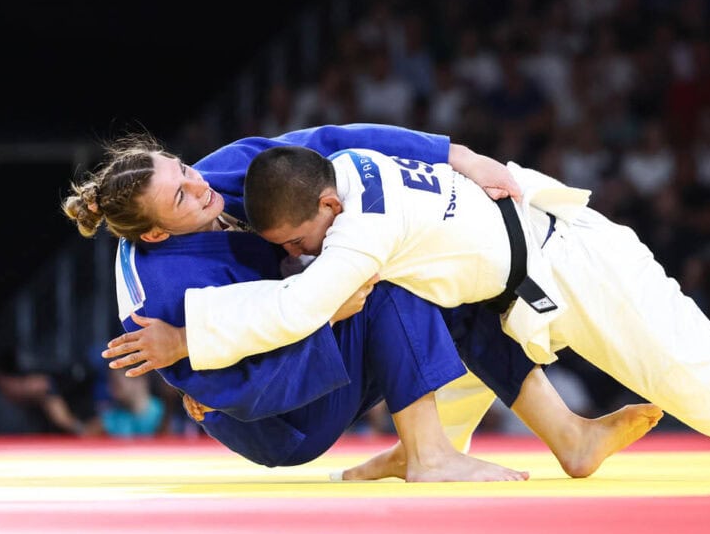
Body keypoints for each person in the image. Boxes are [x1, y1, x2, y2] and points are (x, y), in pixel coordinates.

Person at [106, 144, 710, 445]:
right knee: (436, 312)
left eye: (301, 241)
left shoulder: (358, 232)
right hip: (524, 273)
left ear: (324, 208)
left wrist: (188, 340)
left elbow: (297, 311)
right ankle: (459, 447)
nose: (304, 256)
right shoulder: (356, 171)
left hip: (583, 272)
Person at [65, 127, 659, 481]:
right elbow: (247, 391)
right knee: (395, 274)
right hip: (285, 420)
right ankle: (428, 454)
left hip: (308, 337)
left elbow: (330, 146)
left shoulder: (212, 177)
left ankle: (569, 439)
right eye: (182, 195)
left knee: (448, 279)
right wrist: (328, 316)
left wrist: (457, 156)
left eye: (186, 168)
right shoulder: (158, 306)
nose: (203, 186)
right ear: (154, 235)